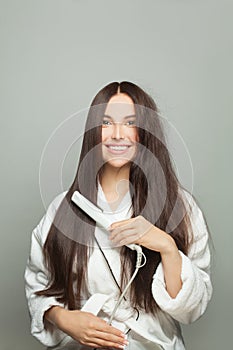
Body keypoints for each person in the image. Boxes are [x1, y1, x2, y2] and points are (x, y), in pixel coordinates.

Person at [24, 81, 212, 350]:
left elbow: (192, 308)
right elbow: (37, 284)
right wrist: (63, 319)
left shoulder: (180, 207)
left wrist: (167, 247)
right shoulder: (62, 210)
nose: (117, 134)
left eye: (130, 122)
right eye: (106, 123)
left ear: (145, 132)